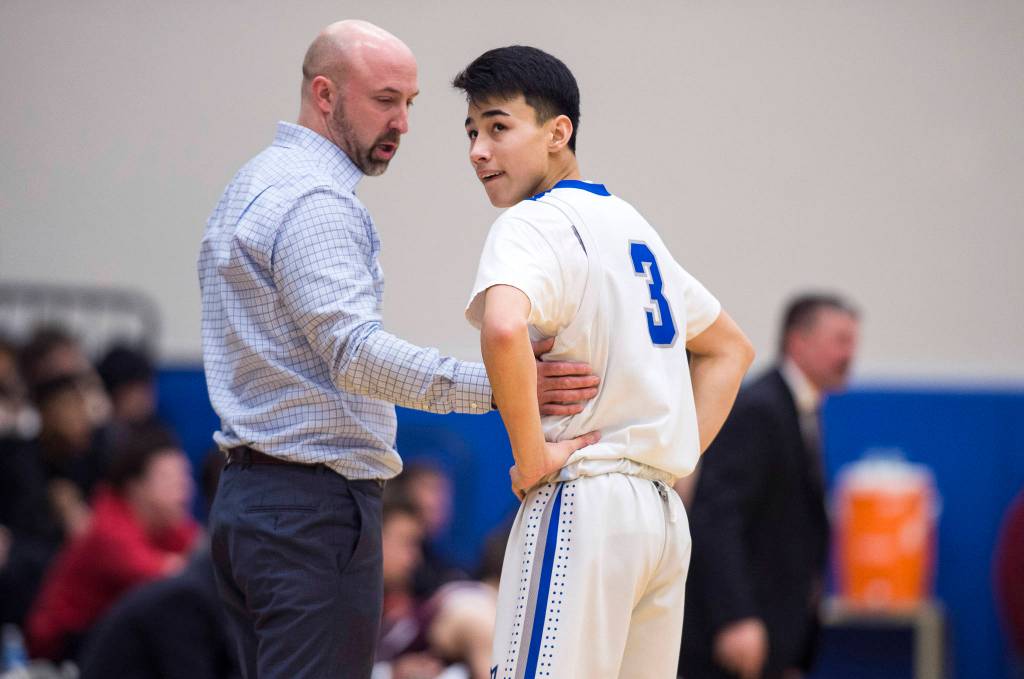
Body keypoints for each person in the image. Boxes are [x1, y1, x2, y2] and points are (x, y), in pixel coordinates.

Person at [199, 20, 598, 679]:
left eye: (409, 104)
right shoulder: (315, 202)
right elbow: (356, 354)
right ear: (324, 94)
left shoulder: (254, 181)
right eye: (386, 100)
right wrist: (501, 386)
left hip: (254, 501)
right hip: (309, 510)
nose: (403, 123)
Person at [453, 46, 755, 678]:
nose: (479, 149)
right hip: (662, 520)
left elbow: (504, 328)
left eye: (499, 127)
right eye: (472, 132)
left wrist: (531, 458)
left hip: (584, 504)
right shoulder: (634, 226)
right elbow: (731, 349)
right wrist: (671, 452)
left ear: (558, 132)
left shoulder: (532, 223)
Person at [680, 294, 860, 679]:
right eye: (840, 340)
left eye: (853, 341)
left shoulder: (802, 407)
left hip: (775, 631)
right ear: (799, 341)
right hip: (734, 636)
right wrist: (736, 616)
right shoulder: (760, 408)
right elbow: (715, 516)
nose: (850, 353)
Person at [26, 425, 198, 661]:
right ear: (135, 486)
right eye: (170, 479)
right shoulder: (108, 527)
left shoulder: (165, 522)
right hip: (62, 648)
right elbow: (177, 576)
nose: (185, 488)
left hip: (109, 638)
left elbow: (205, 553)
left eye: (185, 476)